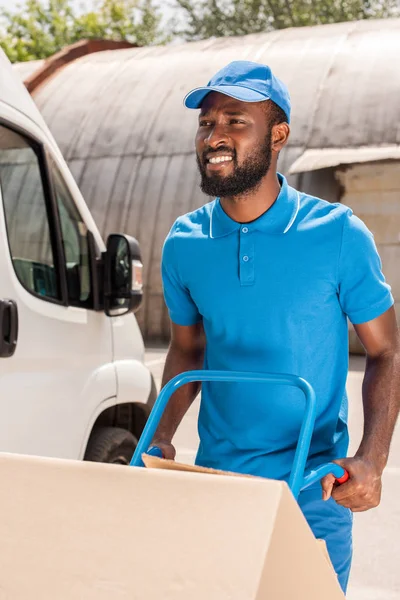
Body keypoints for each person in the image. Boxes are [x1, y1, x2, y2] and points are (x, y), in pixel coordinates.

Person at [152, 61, 400, 593]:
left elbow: (387, 353)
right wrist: (162, 435)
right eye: (206, 123)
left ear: (278, 135)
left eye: (235, 121)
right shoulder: (184, 242)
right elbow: (187, 350)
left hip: (314, 488)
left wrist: (372, 460)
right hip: (217, 482)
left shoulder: (337, 234)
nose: (214, 136)